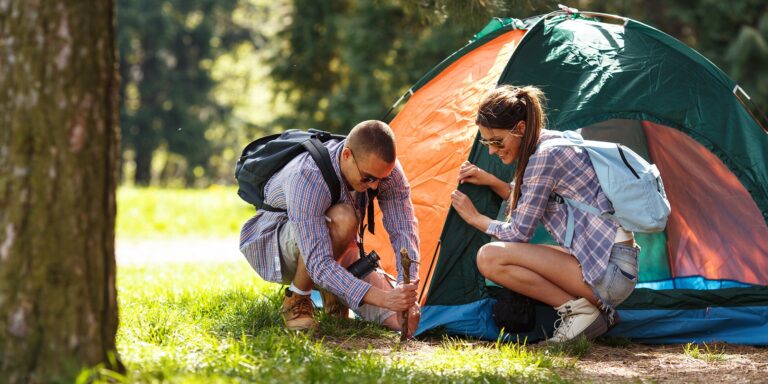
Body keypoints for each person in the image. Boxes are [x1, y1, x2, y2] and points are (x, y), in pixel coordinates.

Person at [450, 85, 640, 342]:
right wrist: (493, 182)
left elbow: (519, 232)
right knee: (520, 254)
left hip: (611, 272)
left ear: (519, 129)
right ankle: (594, 311)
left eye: (496, 141)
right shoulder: (551, 142)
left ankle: (579, 312)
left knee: (489, 257)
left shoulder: (544, 157)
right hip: (617, 264)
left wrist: (476, 219)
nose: (492, 150)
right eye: (486, 142)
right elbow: (533, 199)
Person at [240, 120, 420, 336]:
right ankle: (296, 300)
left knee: (407, 323)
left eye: (381, 179)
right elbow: (318, 263)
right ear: (347, 156)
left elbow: (404, 230)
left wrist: (405, 288)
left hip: (335, 249)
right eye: (368, 178)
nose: (375, 186)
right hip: (280, 244)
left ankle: (333, 294)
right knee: (344, 218)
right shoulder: (307, 175)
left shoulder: (384, 172)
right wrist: (383, 298)